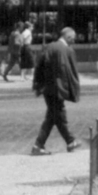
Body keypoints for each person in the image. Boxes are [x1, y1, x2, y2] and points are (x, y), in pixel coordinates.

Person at [31, 26, 81, 155]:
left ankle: (68, 141)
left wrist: (37, 84)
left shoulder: (49, 47)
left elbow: (39, 66)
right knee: (58, 116)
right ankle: (68, 141)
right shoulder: (65, 50)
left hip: (47, 88)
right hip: (57, 89)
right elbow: (67, 73)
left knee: (53, 117)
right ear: (68, 37)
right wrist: (70, 90)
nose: (74, 42)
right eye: (73, 39)